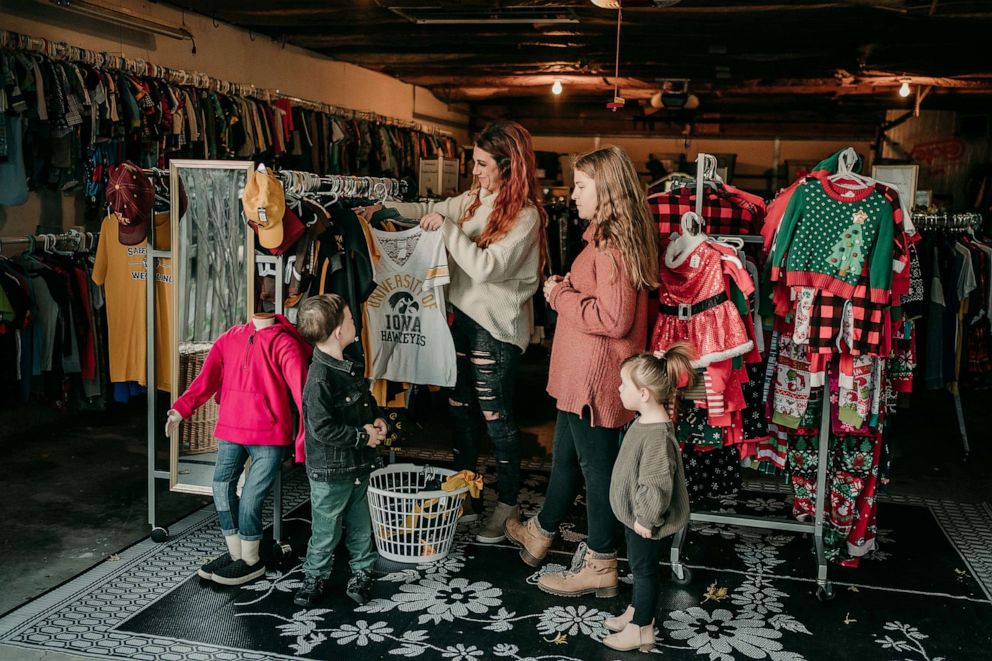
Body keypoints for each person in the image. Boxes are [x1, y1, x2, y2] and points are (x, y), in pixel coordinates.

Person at [505, 145, 659, 598]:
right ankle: (541, 532)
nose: (574, 194)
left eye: (583, 186)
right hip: (585, 377)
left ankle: (600, 563)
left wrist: (558, 296)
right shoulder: (609, 238)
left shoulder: (610, 247)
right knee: (569, 460)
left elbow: (614, 319)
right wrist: (570, 287)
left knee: (596, 470)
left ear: (607, 190)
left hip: (593, 378)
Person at [388, 120, 547, 543]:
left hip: (496, 329)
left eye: (480, 164)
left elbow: (485, 268)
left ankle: (507, 508)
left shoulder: (526, 217)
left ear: (508, 165)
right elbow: (433, 209)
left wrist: (447, 226)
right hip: (460, 321)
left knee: (497, 420)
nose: (473, 171)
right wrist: (383, 210)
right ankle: (467, 495)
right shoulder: (476, 200)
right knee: (460, 414)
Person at [165, 313, 311, 586]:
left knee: (250, 498)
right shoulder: (230, 338)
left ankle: (251, 560)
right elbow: (206, 377)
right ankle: (236, 555)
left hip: (269, 435)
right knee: (221, 487)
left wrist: (304, 441)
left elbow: (302, 395)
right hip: (231, 428)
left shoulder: (285, 344)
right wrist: (181, 409)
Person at [292, 294, 388, 607]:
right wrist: (363, 436)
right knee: (326, 526)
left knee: (362, 521)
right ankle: (315, 575)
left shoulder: (350, 366)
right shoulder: (319, 379)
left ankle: (362, 571)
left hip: (358, 464)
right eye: (349, 318)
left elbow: (365, 402)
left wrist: (376, 418)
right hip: (330, 471)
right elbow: (321, 430)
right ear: (337, 332)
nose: (353, 322)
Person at [602, 346, 693, 653]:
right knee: (638, 567)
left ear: (643, 394)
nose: (619, 388)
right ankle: (636, 611)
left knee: (644, 570)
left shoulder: (656, 435)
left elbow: (656, 484)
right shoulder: (646, 421)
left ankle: (642, 629)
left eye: (624, 384)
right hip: (636, 517)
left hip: (646, 520)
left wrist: (646, 518)